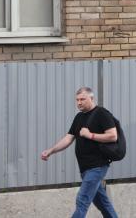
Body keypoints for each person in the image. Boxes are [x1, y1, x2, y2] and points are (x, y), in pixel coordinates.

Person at [41, 86, 120, 218]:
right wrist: (51, 150)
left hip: (97, 166)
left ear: (91, 98)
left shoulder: (102, 113)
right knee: (103, 204)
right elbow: (68, 138)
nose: (79, 102)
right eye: (77, 100)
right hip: (85, 168)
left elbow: (113, 136)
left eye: (82, 99)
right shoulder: (79, 117)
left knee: (82, 200)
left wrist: (90, 135)